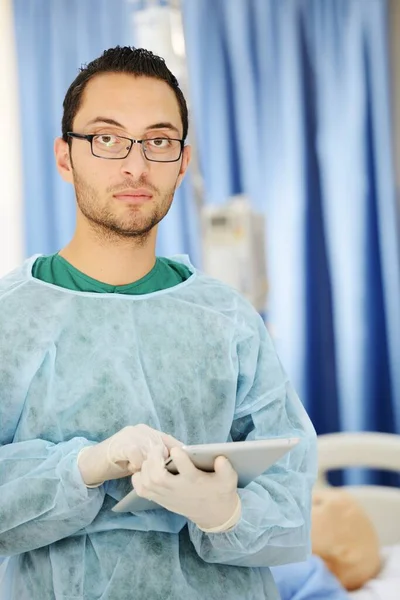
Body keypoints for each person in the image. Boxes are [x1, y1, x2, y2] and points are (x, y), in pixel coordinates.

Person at [0, 46, 317, 600]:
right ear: (64, 156)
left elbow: (290, 495)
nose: (136, 165)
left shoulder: (228, 318)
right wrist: (85, 466)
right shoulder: (11, 316)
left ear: (183, 161)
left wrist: (227, 512)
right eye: (106, 137)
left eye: (159, 141)